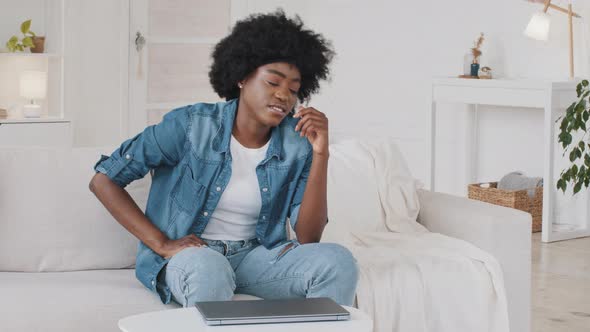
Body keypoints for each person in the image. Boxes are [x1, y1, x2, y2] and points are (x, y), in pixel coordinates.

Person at [89, 10, 358, 307]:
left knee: (338, 261)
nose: (284, 95)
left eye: (293, 89)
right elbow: (104, 180)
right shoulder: (191, 125)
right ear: (242, 77)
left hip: (257, 257)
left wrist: (321, 154)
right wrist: (161, 243)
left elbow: (308, 237)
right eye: (273, 82)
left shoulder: (297, 144)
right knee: (210, 269)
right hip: (194, 257)